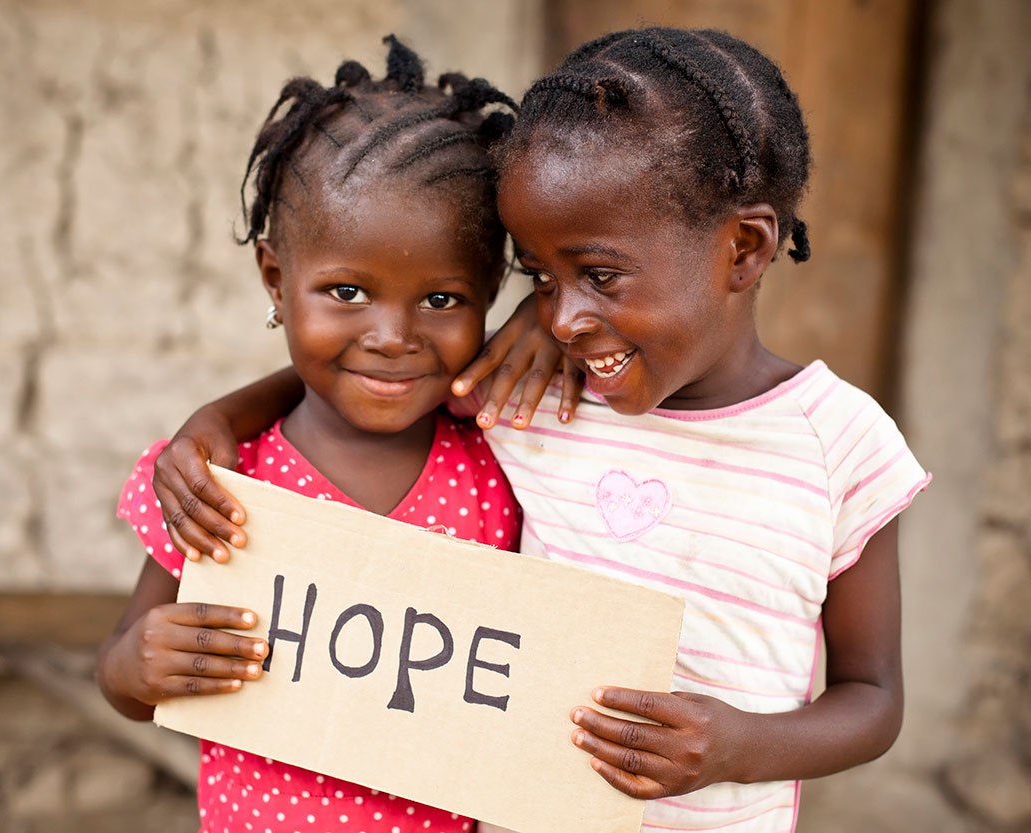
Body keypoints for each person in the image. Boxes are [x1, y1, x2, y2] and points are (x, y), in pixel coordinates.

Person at [152, 28, 932, 833]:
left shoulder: (840, 447)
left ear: (744, 247)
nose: (562, 315)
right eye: (538, 279)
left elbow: (873, 700)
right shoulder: (539, 400)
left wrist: (740, 746)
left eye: (596, 274)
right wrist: (219, 419)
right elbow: (373, 378)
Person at [96, 37, 560, 833]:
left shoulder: (501, 466)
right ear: (276, 279)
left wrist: (552, 313)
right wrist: (141, 666)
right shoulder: (223, 479)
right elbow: (122, 682)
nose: (391, 336)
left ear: (491, 294)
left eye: (443, 300)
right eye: (347, 291)